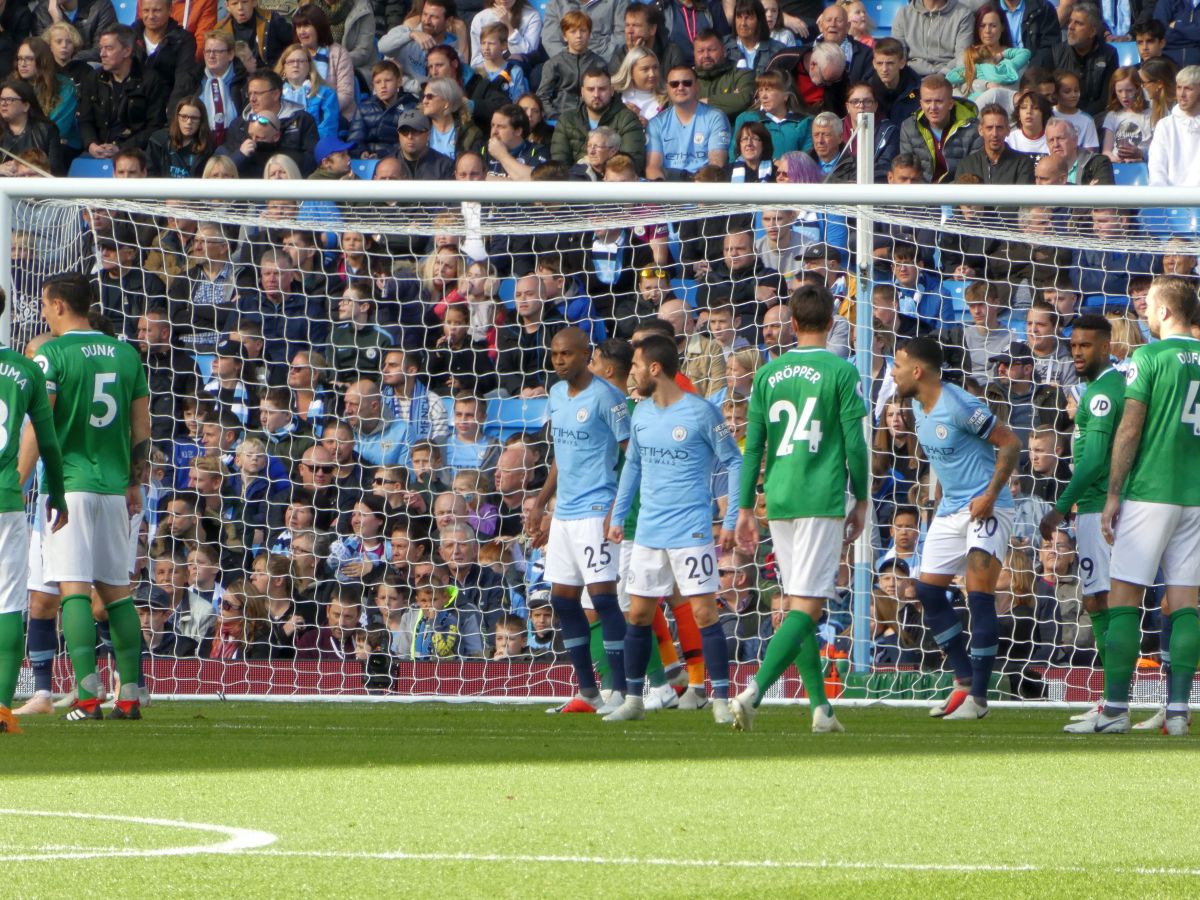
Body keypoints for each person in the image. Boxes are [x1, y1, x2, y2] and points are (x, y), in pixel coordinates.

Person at [729, 284, 868, 734]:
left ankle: (821, 710)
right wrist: (862, 497)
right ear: (831, 323)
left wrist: (746, 506)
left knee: (796, 602)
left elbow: (753, 450)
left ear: (791, 325)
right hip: (820, 495)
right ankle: (754, 693)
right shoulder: (841, 371)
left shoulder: (769, 374)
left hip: (781, 496)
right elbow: (855, 443)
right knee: (807, 607)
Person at [604, 332, 742, 724]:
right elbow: (633, 467)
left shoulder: (701, 413)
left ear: (654, 368)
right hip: (647, 531)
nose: (631, 374)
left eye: (634, 366)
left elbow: (735, 462)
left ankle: (717, 699)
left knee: (704, 614)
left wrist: (728, 520)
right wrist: (618, 517)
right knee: (638, 616)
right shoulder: (641, 413)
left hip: (691, 531)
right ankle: (633, 701)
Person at [1084, 277, 1200, 735]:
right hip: (1195, 496)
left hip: (1151, 490)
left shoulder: (1147, 357)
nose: (1145, 314)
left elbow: (1130, 429)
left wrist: (1114, 493)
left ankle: (1114, 709)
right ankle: (1177, 712)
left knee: (1125, 597)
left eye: (1150, 305)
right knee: (1186, 601)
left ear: (1167, 312)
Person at [35, 273, 152, 721]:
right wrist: (135, 481)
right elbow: (142, 428)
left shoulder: (53, 354)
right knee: (117, 592)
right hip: (115, 488)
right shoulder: (127, 355)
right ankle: (131, 694)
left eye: (46, 304)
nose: (44, 312)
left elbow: (40, 424)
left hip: (69, 485)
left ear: (60, 305)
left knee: (73, 589)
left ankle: (86, 695)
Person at [890, 335, 1021, 721]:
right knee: (927, 591)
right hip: (950, 510)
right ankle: (963, 680)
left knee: (978, 596)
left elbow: (1010, 444)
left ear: (917, 370)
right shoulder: (917, 405)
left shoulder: (959, 405)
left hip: (987, 506)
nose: (893, 373)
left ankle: (979, 698)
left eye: (897, 365)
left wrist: (991, 495)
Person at [525, 327, 630, 715]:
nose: (558, 361)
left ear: (587, 355)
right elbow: (561, 456)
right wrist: (540, 502)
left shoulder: (608, 398)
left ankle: (620, 690)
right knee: (562, 600)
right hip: (565, 514)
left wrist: (616, 507)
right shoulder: (554, 395)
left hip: (595, 511)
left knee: (603, 599)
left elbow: (630, 455)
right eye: (554, 355)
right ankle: (588, 691)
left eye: (566, 354)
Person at [1037, 316, 1123, 729]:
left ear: (1106, 346)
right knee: (1099, 601)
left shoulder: (1102, 395)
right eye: (1073, 346)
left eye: (1086, 346)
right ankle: (1112, 700)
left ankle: (1115, 706)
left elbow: (1093, 462)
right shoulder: (1096, 391)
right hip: (1096, 507)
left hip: (1096, 507)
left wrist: (1059, 507)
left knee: (1103, 603)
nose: (1077, 352)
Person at [0, 311, 66, 733]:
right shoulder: (25, 370)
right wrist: (56, 492)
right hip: (6, 499)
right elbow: (46, 439)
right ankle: (2, 709)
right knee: (7, 604)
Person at [77, 24, 167, 157]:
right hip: (97, 150)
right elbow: (84, 119)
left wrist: (121, 148)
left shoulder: (151, 80)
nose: (102, 54)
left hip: (135, 153)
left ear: (127, 51)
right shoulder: (94, 78)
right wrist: (91, 145)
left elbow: (155, 127)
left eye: (109, 48)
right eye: (101, 48)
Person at [645, 64, 731, 180]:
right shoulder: (656, 123)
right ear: (668, 88)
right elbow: (653, 167)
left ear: (697, 86)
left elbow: (716, 164)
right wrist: (663, 193)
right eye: (674, 84)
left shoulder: (715, 117)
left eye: (687, 83)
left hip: (703, 185)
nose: (680, 87)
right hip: (669, 188)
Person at [1031, 3, 1117, 117]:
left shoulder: (1109, 54)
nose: (1071, 27)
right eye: (1070, 21)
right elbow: (1044, 93)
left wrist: (1081, 118)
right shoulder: (1054, 53)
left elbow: (1106, 97)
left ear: (1093, 31)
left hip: (1095, 118)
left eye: (1078, 23)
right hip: (1059, 117)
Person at [898, 73, 981, 183]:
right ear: (921, 104)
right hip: (921, 196)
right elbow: (908, 170)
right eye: (927, 101)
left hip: (958, 195)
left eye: (939, 101)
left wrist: (941, 195)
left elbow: (971, 175)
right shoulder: (909, 128)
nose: (933, 107)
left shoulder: (974, 129)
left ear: (951, 104)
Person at [955, 102, 1034, 184]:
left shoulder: (1022, 164)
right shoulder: (966, 165)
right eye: (989, 128)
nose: (995, 134)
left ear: (1008, 130)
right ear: (981, 130)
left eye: (999, 128)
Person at [891, 0, 973, 77]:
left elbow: (962, 55)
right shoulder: (904, 13)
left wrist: (943, 75)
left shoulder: (963, 14)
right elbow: (898, 51)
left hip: (947, 76)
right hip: (911, 75)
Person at [1149, 65, 1200, 187]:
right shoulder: (1165, 125)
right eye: (1179, 88)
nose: (1182, 94)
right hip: (1171, 199)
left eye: (1188, 89)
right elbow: (1157, 167)